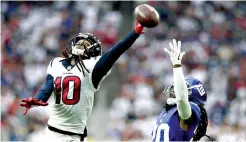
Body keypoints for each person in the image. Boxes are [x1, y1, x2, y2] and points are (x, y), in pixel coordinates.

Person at [20, 21, 145, 142]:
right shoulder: (91, 67)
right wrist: (135, 32)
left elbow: (44, 91)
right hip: (74, 135)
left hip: (53, 132)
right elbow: (115, 52)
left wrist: (35, 100)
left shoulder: (56, 63)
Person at [152, 39, 211, 141]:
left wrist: (177, 66)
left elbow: (182, 98)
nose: (174, 90)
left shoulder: (190, 109)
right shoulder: (168, 111)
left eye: (180, 87)